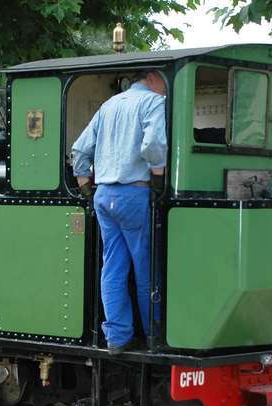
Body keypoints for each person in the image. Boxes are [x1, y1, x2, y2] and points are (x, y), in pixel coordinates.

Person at [71, 70, 167, 354]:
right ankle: (153, 334)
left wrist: (85, 185)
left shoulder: (108, 106)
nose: (166, 92)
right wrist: (158, 177)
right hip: (133, 193)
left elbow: (80, 149)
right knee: (145, 266)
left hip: (104, 194)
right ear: (153, 78)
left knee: (112, 266)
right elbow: (152, 144)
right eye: (165, 85)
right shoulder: (152, 102)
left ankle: (117, 337)